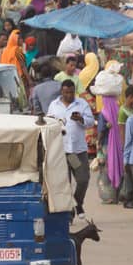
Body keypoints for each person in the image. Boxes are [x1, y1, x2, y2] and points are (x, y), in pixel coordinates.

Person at [45, 80, 93, 212]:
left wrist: (81, 119)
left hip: (76, 152)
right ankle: (69, 213)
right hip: (61, 151)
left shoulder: (81, 104)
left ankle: (77, 203)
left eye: (71, 92)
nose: (69, 95)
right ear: (62, 91)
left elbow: (90, 122)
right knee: (64, 184)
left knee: (83, 180)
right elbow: (48, 123)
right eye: (66, 92)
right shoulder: (54, 105)